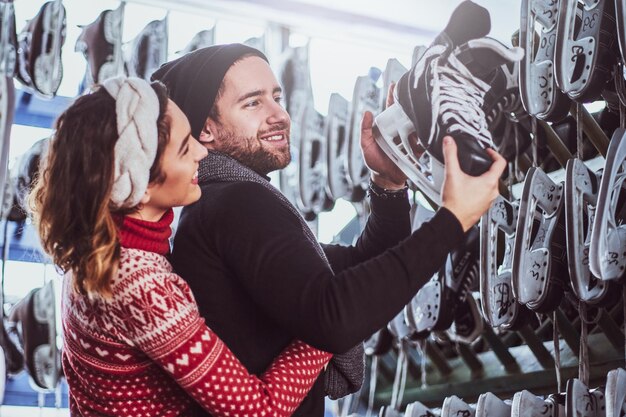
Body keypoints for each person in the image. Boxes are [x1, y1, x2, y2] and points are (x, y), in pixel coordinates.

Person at [151, 43, 506, 416]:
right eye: (253, 103)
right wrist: (453, 220)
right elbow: (334, 318)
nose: (281, 115)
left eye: (276, 97)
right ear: (206, 130)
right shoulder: (237, 202)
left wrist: (387, 181)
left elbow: (358, 264)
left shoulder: (217, 203)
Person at [29, 76, 334, 417]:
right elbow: (257, 410)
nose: (202, 152)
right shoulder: (139, 284)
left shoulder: (96, 249)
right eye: (185, 148)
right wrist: (324, 328)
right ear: (139, 185)